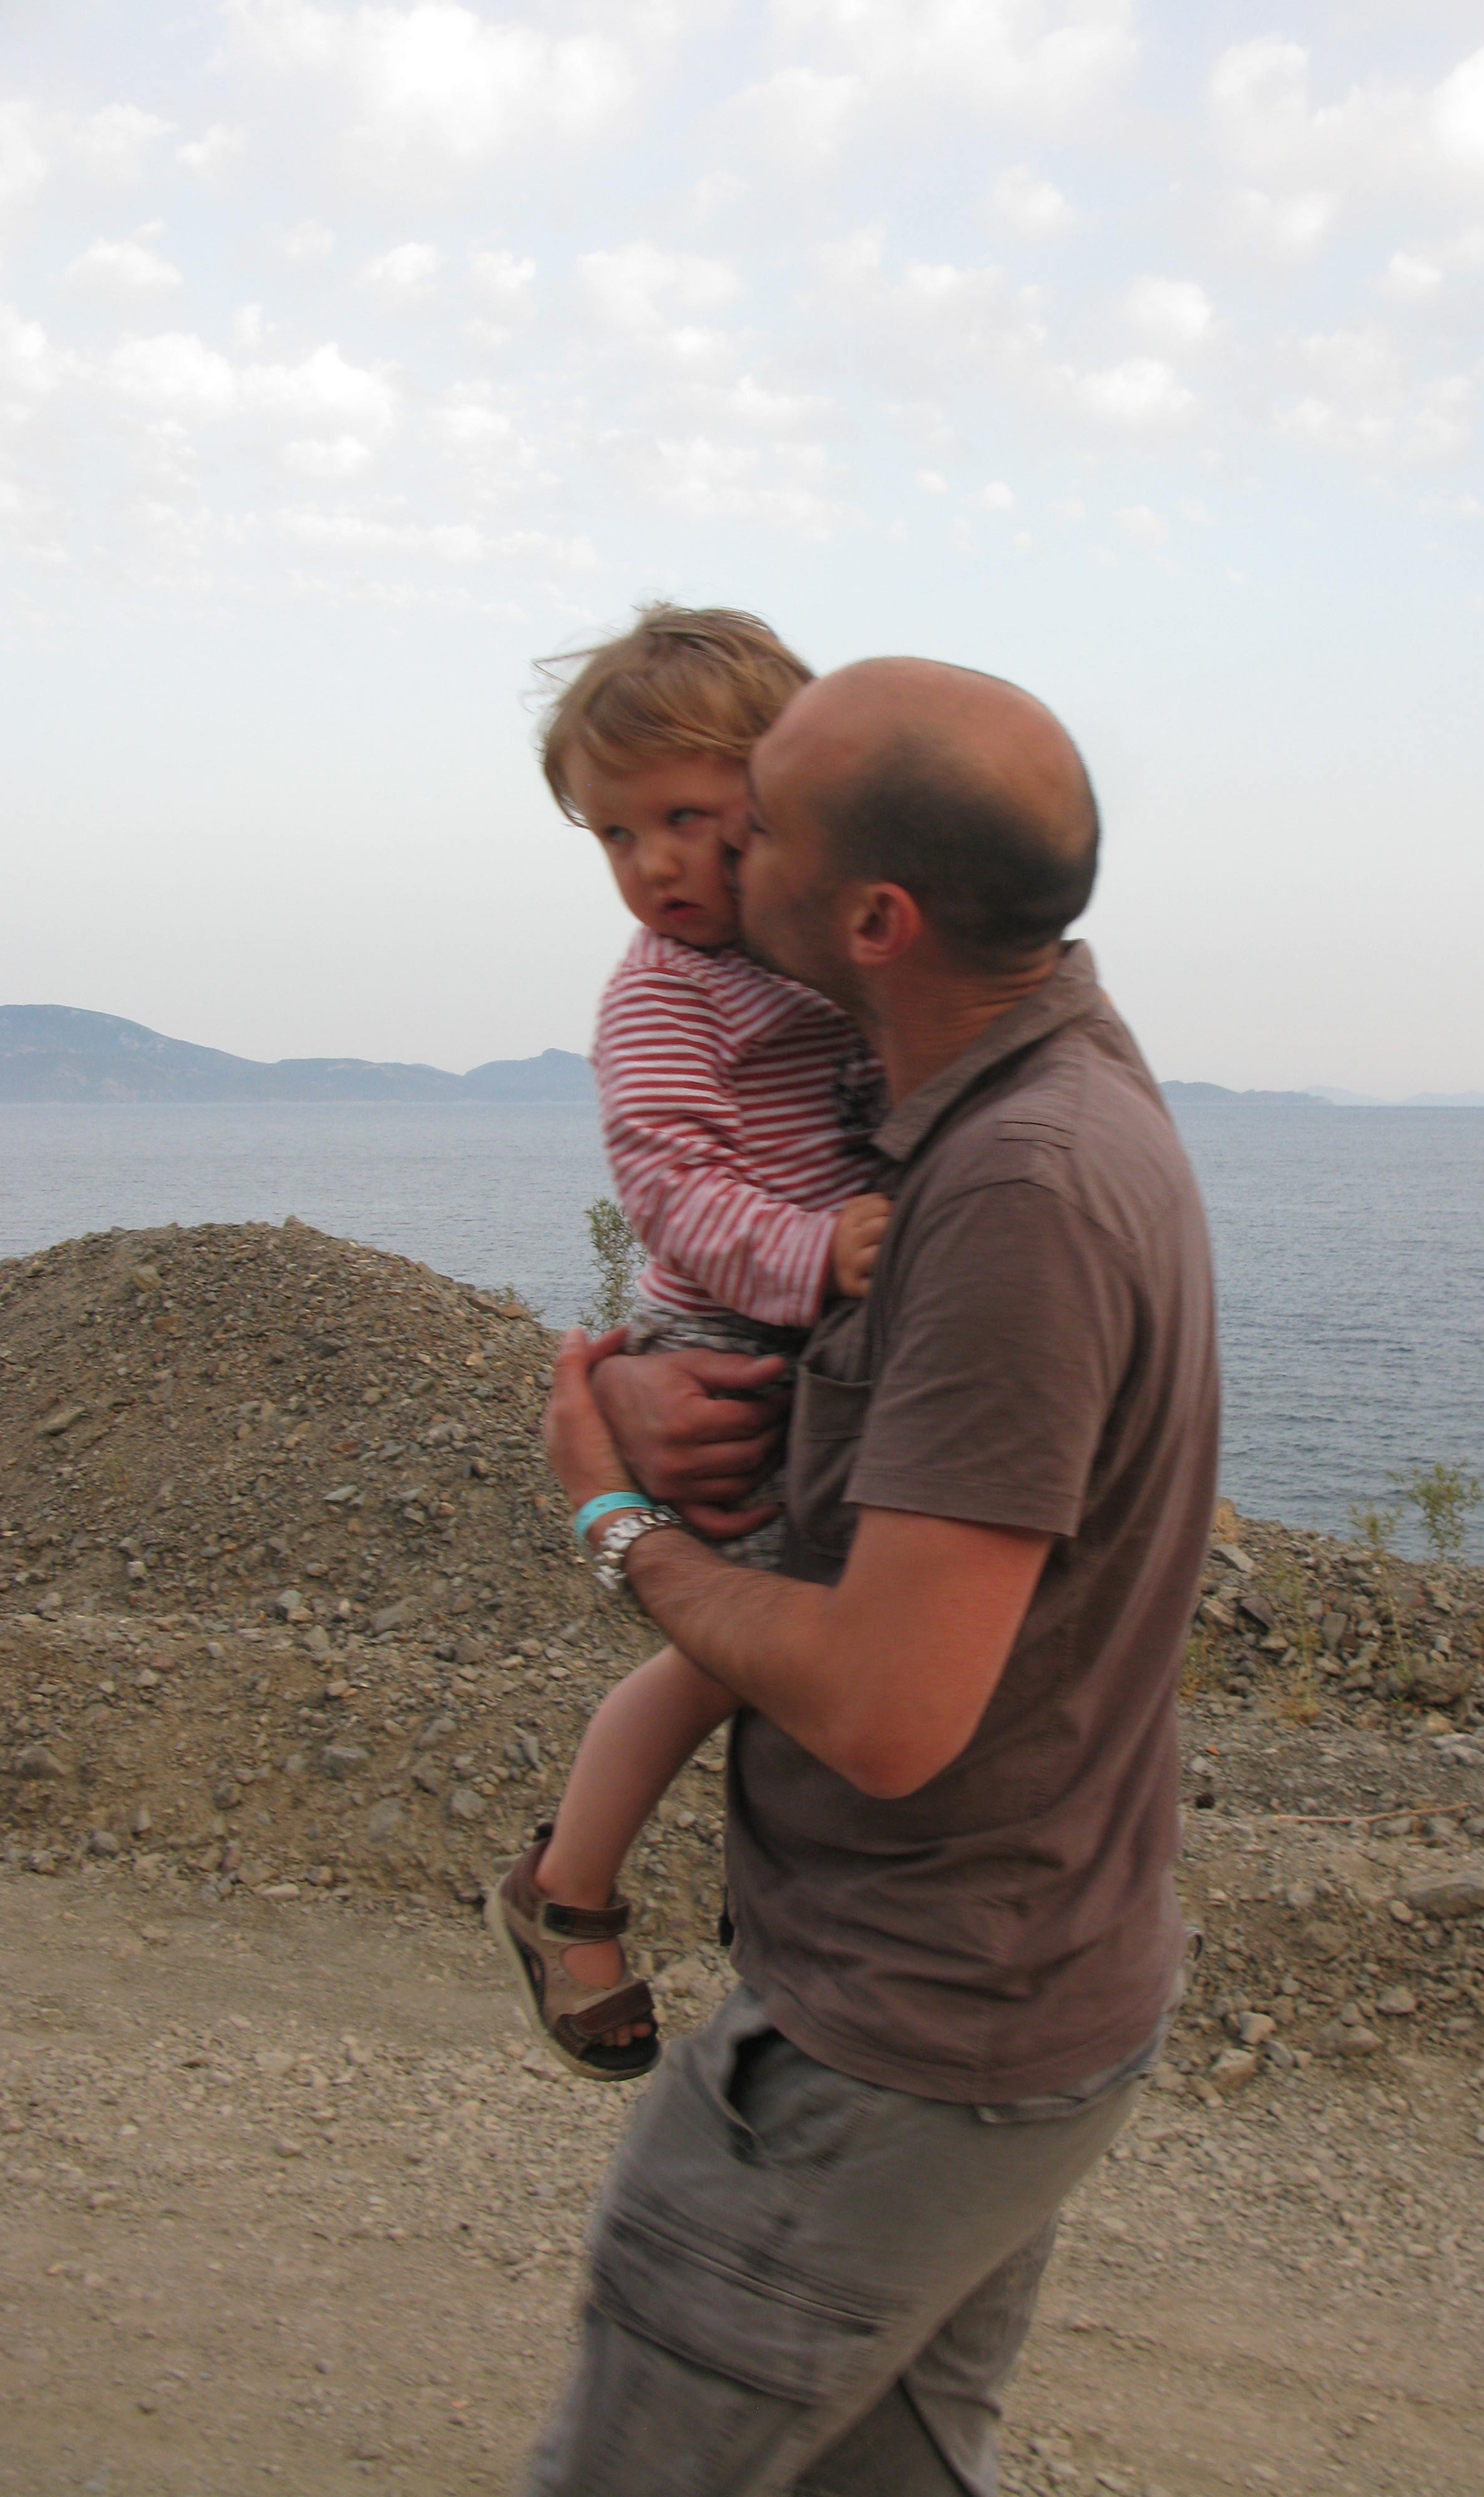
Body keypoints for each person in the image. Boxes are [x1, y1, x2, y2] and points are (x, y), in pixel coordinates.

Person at [528, 655, 1219, 2497]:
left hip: (902, 2039)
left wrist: (612, 1512)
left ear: (872, 919)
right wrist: (657, 1385)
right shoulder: (997, 1087)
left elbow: (889, 1710)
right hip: (1001, 1984)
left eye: (747, 826)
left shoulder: (1015, 1189)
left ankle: (562, 1886)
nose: (689, 869)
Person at [487, 606, 892, 2080]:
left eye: (682, 817)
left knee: (824, 1626)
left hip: (815, 1326)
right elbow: (667, 1183)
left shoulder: (820, 953)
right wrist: (818, 1249)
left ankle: (759, 1885)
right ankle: (567, 1889)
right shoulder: (667, 989)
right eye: (615, 833)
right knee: (743, 1643)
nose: (650, 863)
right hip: (731, 1323)